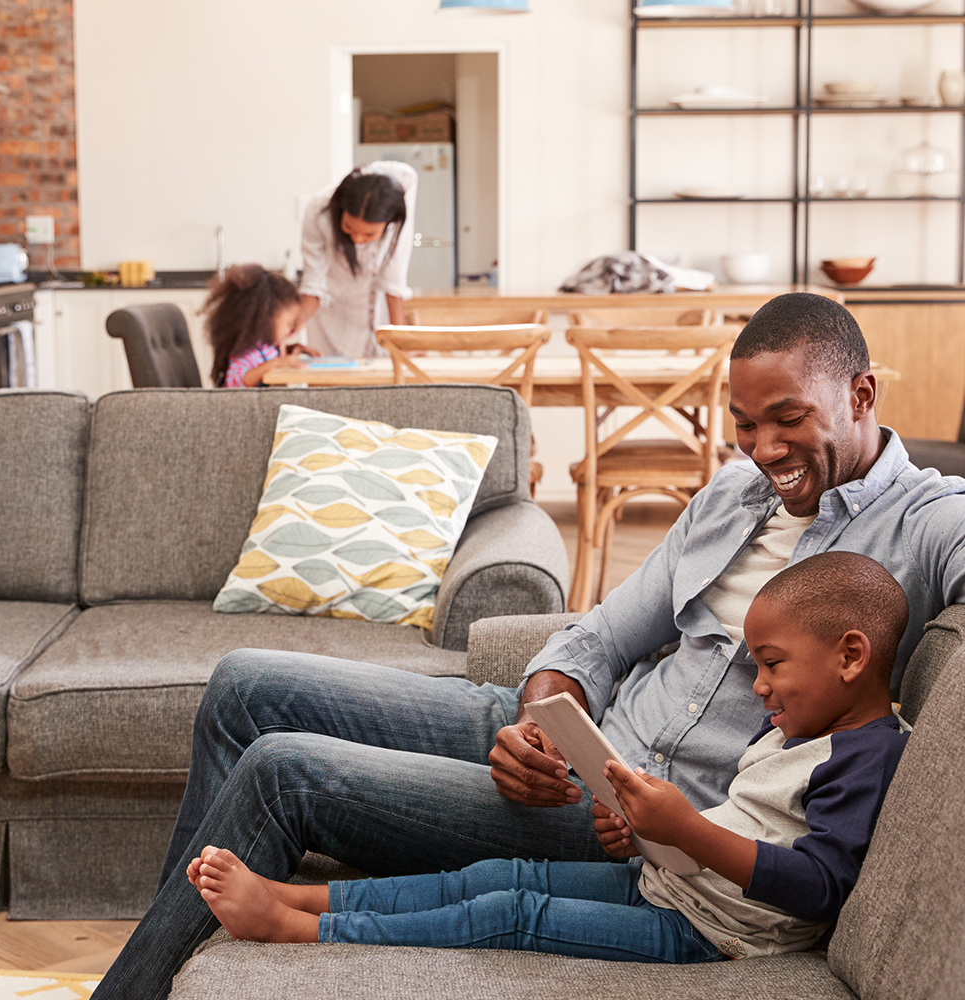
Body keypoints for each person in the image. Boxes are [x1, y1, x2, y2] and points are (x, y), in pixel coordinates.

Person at [94, 292, 965, 998]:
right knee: (244, 681)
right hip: (570, 742)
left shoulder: (926, 522)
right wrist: (543, 714)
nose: (764, 448)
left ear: (861, 396)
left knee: (284, 768)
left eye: (788, 419)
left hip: (634, 823)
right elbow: (598, 636)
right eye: (744, 423)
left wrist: (610, 784)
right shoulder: (732, 496)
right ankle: (186, 964)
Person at [187, 552, 911, 964]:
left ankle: (305, 929)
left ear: (851, 656)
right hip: (673, 883)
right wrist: (653, 834)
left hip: (710, 933)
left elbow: (819, 884)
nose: (757, 687)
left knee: (511, 911)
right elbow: (753, 827)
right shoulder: (800, 729)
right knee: (494, 876)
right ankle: (300, 896)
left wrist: (687, 831)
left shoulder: (866, 757)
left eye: (772, 665)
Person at [295, 161, 417, 358]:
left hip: (377, 314)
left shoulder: (404, 185)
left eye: (369, 235)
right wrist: (292, 328)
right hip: (331, 314)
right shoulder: (319, 209)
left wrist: (401, 337)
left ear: (390, 223)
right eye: (348, 227)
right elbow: (313, 280)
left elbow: (394, 271)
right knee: (329, 380)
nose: (358, 239)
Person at [203, 264, 319, 387]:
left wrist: (292, 349)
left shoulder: (265, 346)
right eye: (288, 324)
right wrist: (277, 364)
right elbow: (235, 380)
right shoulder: (246, 351)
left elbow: (269, 357)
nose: (291, 331)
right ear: (266, 319)